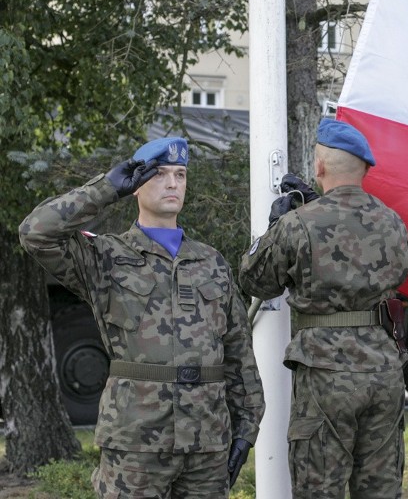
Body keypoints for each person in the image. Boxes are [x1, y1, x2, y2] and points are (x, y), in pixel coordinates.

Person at [19, 137, 265, 498]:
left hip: (207, 442)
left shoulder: (211, 262)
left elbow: (238, 351)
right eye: (159, 174)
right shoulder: (105, 256)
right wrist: (105, 189)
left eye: (180, 175)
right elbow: (35, 232)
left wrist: (247, 426)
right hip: (135, 440)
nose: (172, 184)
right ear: (135, 185)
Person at [240, 118, 408, 499]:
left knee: (319, 487)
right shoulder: (393, 223)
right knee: (381, 489)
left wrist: (276, 226)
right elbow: (400, 273)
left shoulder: (298, 224)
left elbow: (254, 280)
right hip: (384, 371)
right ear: (365, 169)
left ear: (319, 167)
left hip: (326, 374)